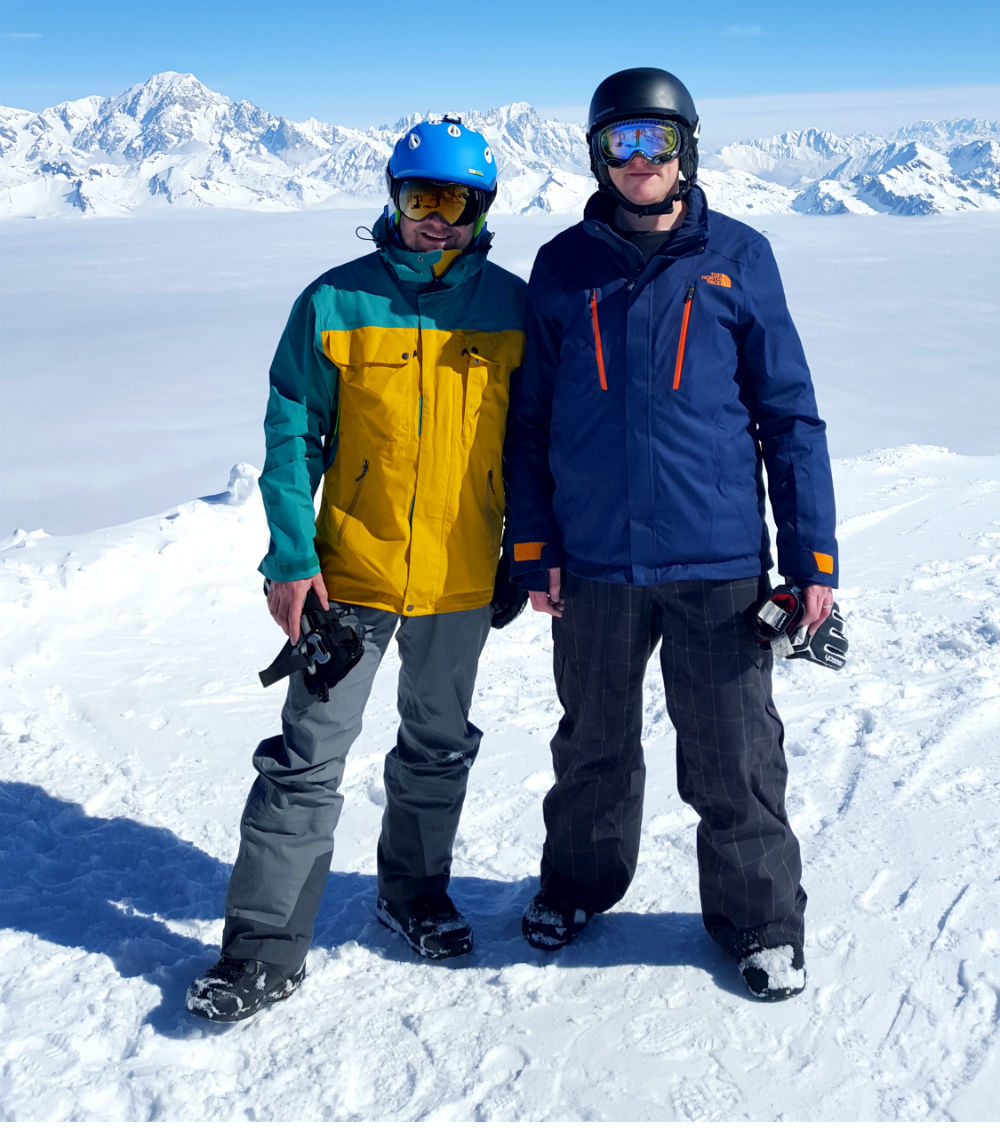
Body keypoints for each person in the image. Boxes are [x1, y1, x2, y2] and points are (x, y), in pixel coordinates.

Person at [505, 68, 839, 1001]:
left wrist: (812, 557)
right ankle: (576, 888)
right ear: (597, 154)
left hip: (720, 561)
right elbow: (529, 425)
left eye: (656, 140)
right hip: (598, 563)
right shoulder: (562, 265)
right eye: (621, 142)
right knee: (593, 749)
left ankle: (761, 922)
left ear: (688, 146)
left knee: (735, 754)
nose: (639, 159)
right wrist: (533, 548)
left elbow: (789, 415)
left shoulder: (740, 255)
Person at [186, 116, 526, 1022]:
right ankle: (262, 950)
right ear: (394, 199)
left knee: (437, 745)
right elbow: (291, 436)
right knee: (305, 762)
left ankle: (412, 893)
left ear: (482, 209)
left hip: (462, 577)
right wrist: (290, 558)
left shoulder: (514, 308)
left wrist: (525, 550)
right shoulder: (335, 302)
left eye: (455, 202)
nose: (435, 219)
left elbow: (535, 446)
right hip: (352, 581)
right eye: (420, 198)